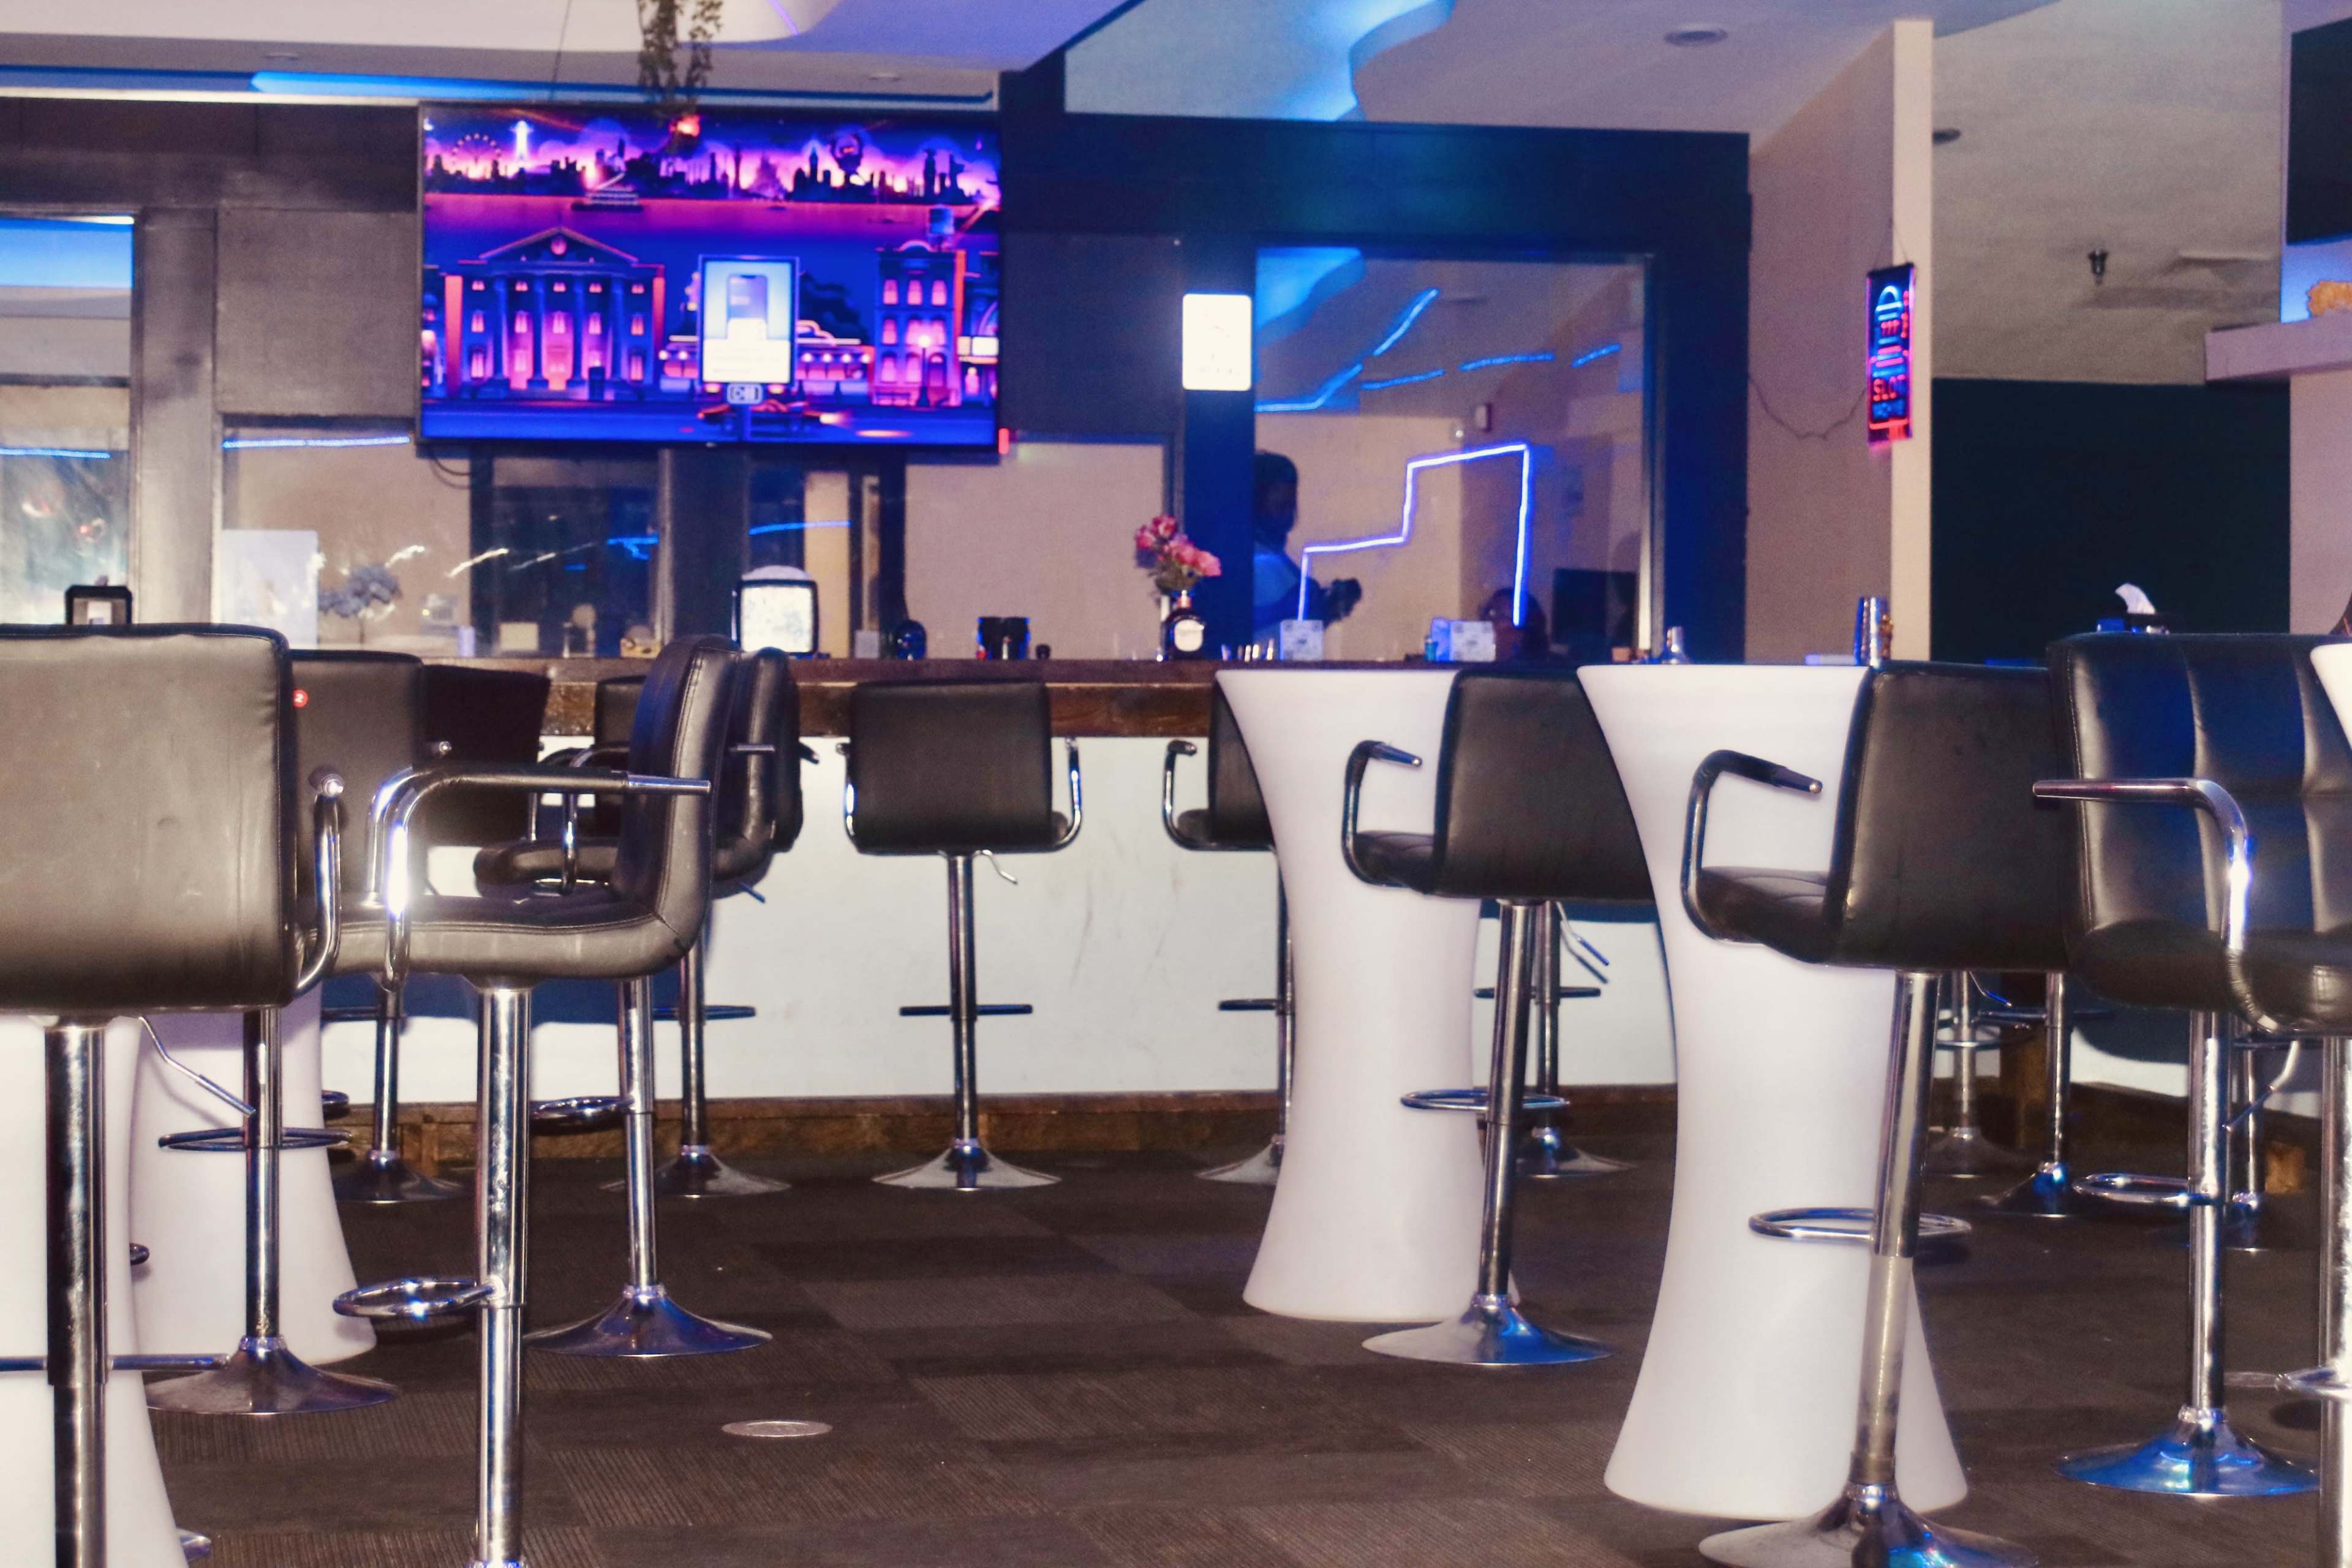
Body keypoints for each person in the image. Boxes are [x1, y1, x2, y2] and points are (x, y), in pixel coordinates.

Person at [1251, 451, 1361, 643]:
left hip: (1282, 670)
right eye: (1280, 505)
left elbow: (1295, 637)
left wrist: (1327, 609)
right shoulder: (1245, 556)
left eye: (1290, 504)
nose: (1287, 512)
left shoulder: (1277, 558)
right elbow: (1227, 619)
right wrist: (1283, 607)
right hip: (1253, 669)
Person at [1478, 586, 1558, 663]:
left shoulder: (1552, 670)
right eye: (1490, 614)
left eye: (1501, 616)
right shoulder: (1474, 667)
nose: (1488, 624)